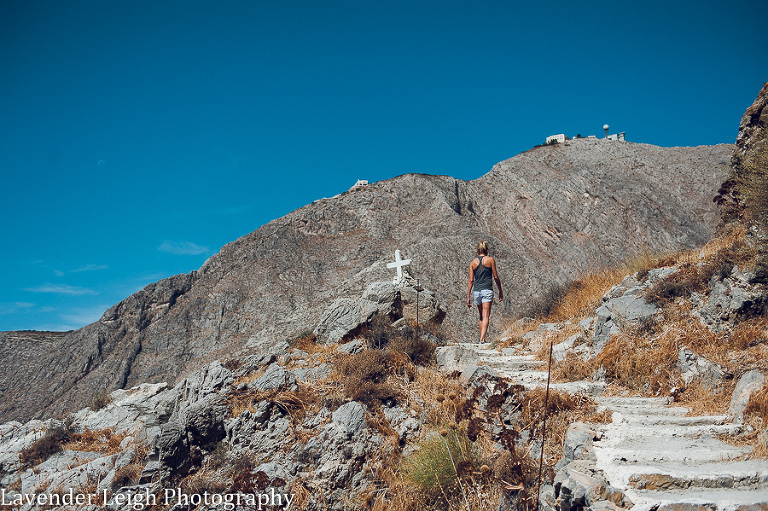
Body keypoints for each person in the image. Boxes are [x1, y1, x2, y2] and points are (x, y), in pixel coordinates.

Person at [466, 241, 503, 343]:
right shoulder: (490, 260)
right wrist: (500, 290)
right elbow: (496, 277)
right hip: (487, 290)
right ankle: (482, 339)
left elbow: (470, 281)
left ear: (477, 250)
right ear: (487, 250)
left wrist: (468, 296)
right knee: (486, 315)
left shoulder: (473, 263)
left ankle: (481, 338)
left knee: (481, 316)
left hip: (477, 291)